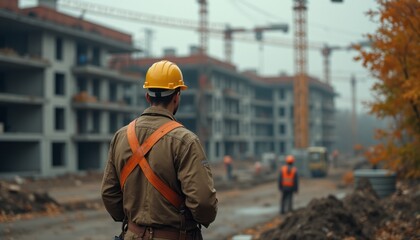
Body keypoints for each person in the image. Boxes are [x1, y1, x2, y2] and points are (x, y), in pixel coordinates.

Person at [101, 60, 218, 240]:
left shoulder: (121, 136)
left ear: (148, 96)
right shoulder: (186, 141)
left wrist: (132, 220)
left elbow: (109, 193)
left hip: (132, 235)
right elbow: (203, 204)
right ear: (177, 96)